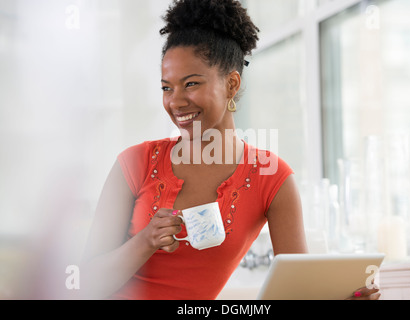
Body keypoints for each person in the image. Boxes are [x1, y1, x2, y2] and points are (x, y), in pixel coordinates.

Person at [80, 0, 380, 300]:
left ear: (232, 84)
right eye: (166, 87)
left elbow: (298, 293)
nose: (176, 101)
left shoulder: (271, 178)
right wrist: (145, 241)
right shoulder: (135, 163)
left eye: (191, 84)